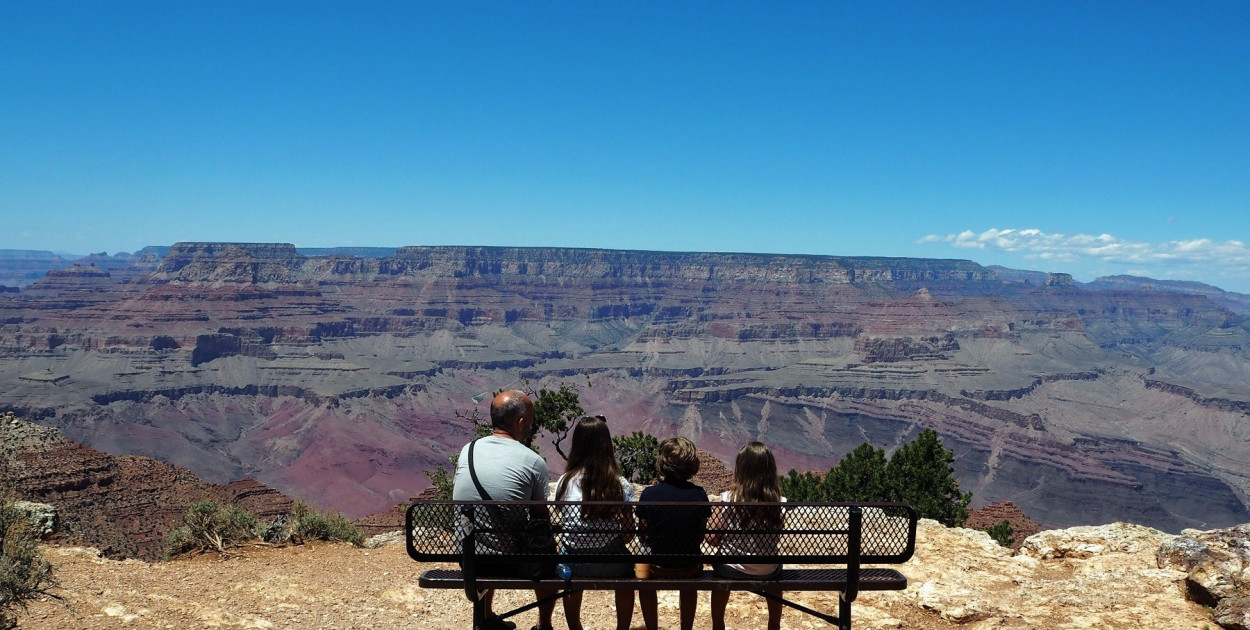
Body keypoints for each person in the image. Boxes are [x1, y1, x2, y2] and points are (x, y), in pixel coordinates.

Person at [452, 390, 558, 630]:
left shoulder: (467, 450)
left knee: (489, 534)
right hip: (509, 561)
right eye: (530, 420)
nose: (530, 425)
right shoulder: (532, 461)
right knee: (544, 547)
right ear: (521, 423)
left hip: (468, 559)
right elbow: (541, 520)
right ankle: (544, 625)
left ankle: (486, 617)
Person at [553, 415, 636, 630]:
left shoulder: (565, 481)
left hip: (574, 565)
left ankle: (575, 628)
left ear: (577, 445)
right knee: (628, 576)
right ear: (606, 445)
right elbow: (628, 534)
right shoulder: (619, 484)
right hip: (612, 565)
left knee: (568, 557)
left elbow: (562, 512)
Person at [705, 442, 786, 630]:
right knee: (776, 569)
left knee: (720, 570)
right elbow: (776, 537)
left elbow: (711, 538)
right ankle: (774, 624)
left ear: (740, 469)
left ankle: (718, 624)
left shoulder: (727, 499)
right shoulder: (781, 503)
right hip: (767, 569)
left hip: (729, 569)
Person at [635, 436, 711, 630]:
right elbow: (700, 536)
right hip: (689, 567)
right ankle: (686, 627)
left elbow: (642, 534)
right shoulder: (700, 495)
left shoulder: (649, 494)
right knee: (690, 577)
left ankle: (651, 627)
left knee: (643, 574)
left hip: (656, 567)